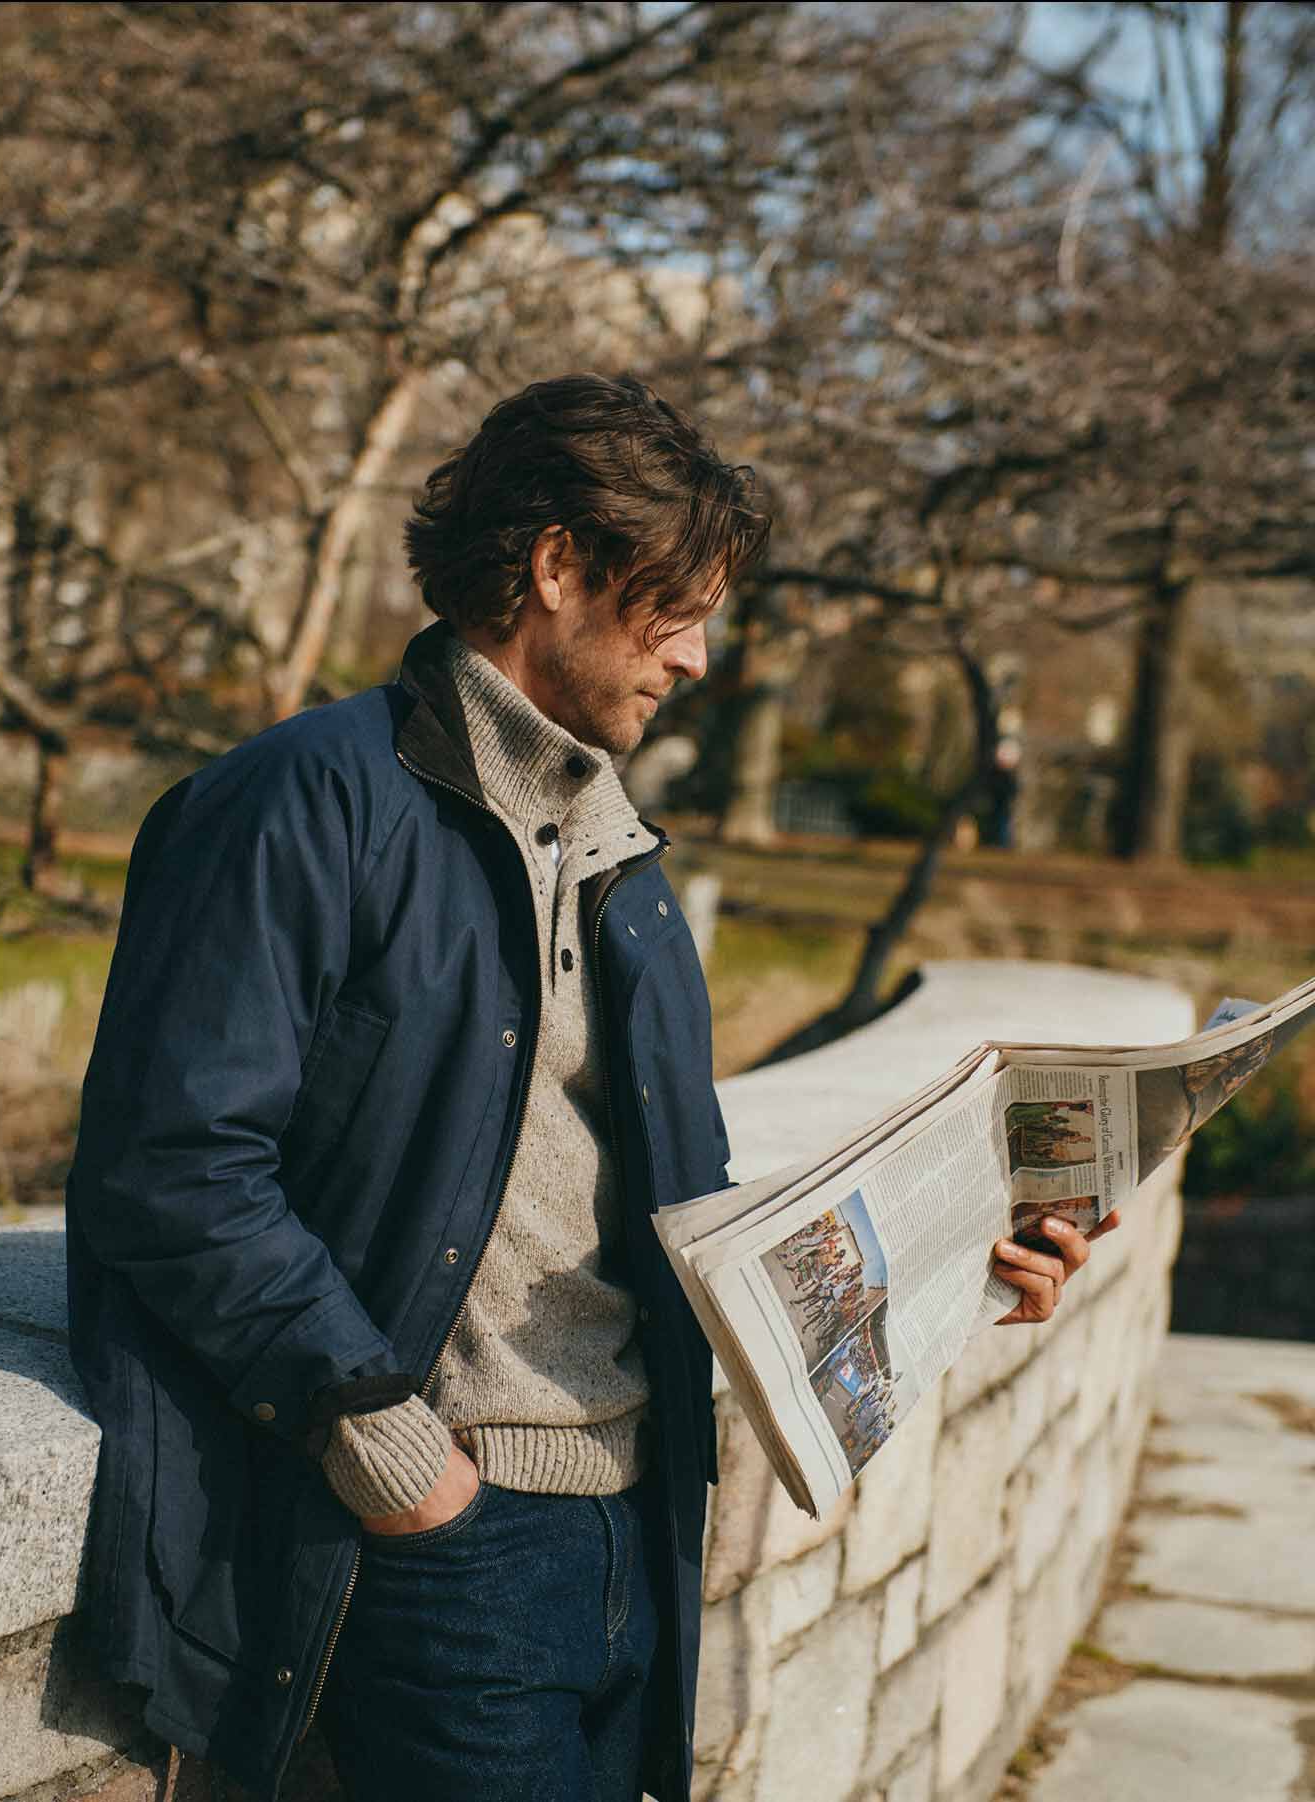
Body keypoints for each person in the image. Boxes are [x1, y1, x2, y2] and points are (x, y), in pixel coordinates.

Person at [65, 373, 1108, 1802]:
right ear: (556, 566)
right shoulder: (300, 801)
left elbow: (676, 1212)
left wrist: (949, 1266)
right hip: (444, 1552)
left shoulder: (621, 859)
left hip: (637, 1536)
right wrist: (400, 1462)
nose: (697, 658)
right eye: (674, 611)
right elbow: (173, 1168)